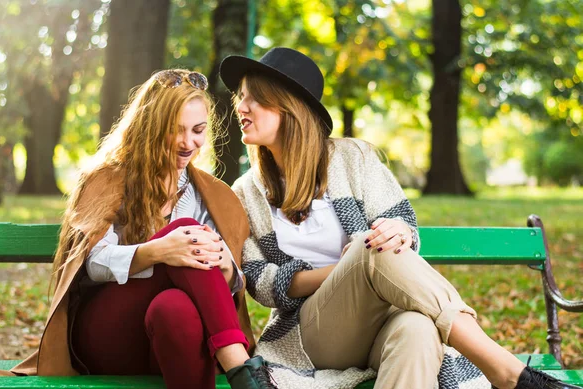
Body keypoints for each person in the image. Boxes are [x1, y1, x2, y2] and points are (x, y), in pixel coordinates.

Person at [218, 47, 580, 389]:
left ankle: (505, 373)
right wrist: (351, 271)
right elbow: (259, 282)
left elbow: (404, 227)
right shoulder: (245, 191)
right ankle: (506, 371)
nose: (240, 106)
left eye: (252, 97)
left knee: (418, 329)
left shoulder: (354, 158)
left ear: (289, 107)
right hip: (309, 334)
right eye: (239, 97)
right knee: (369, 246)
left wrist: (399, 232)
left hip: (382, 322)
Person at [0, 69, 276, 389]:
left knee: (174, 309)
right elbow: (92, 264)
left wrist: (226, 268)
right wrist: (156, 252)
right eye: (175, 130)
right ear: (149, 127)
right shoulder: (107, 180)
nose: (187, 142)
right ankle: (244, 372)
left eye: (197, 130)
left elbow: (221, 288)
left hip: (173, 334)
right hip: (108, 335)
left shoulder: (209, 193)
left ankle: (243, 377)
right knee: (187, 231)